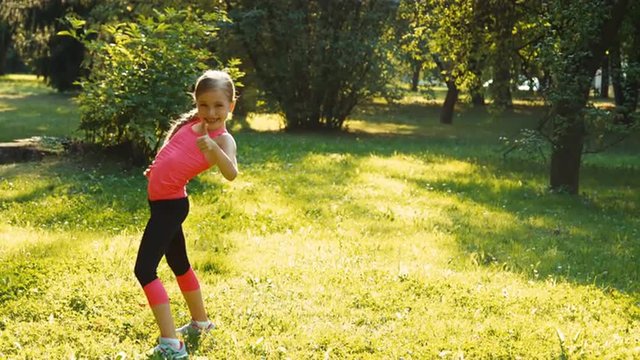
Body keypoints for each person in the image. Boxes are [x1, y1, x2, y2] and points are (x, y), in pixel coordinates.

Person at [134, 70, 238, 359]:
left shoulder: (223, 139)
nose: (211, 112)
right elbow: (174, 149)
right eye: (203, 105)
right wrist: (156, 170)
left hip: (170, 206)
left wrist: (215, 150)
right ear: (196, 104)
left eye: (218, 105)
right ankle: (200, 323)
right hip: (165, 202)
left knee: (144, 270)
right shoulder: (193, 123)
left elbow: (231, 173)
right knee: (179, 264)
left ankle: (171, 344)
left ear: (231, 106)